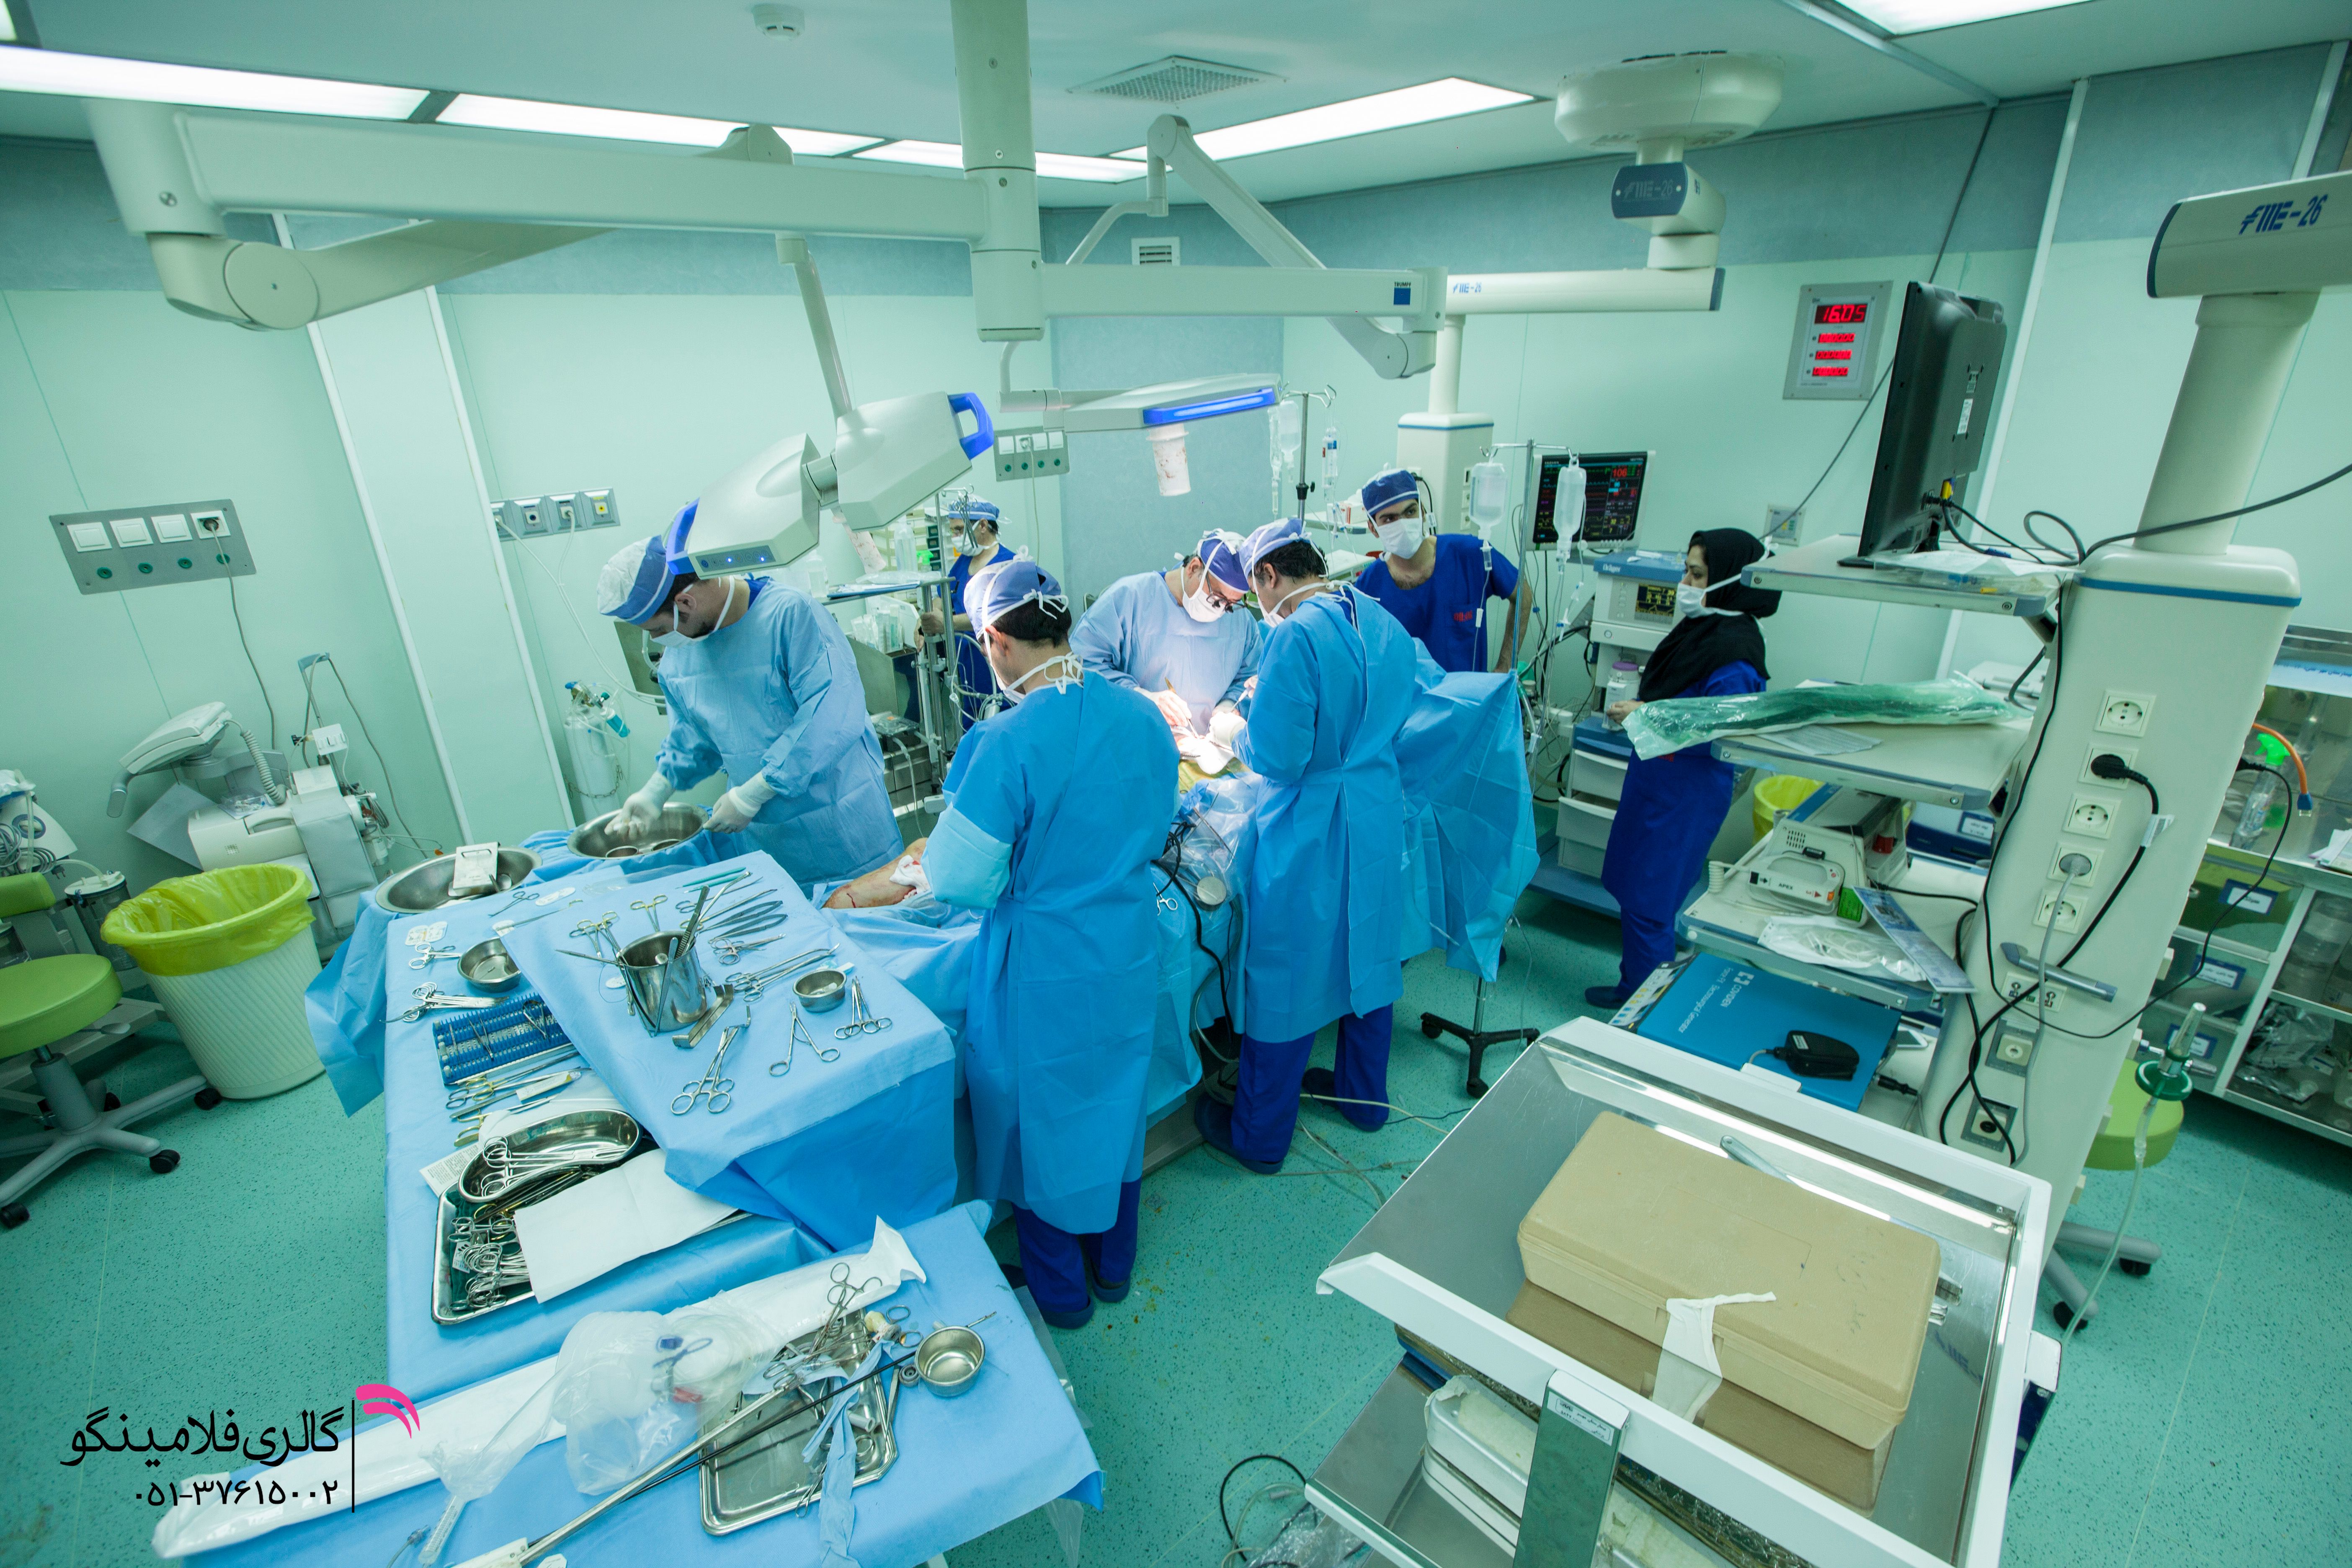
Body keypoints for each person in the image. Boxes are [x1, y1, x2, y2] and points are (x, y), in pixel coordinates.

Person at [923, 556, 1179, 1329]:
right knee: (1112, 1106)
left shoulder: (1006, 740)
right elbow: (1155, 818)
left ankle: (1063, 1295)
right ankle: (1113, 1266)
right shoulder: (1139, 715)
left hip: (1045, 965)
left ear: (996, 640)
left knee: (1045, 1123)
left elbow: (958, 878)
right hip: (1128, 946)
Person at [1192, 516, 1419, 1173]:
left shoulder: (1294, 635)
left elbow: (1282, 758)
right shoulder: (1381, 621)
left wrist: (1235, 727)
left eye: (1253, 590)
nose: (1256, 607)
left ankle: (1260, 1138)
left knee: (1286, 970)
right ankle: (1362, 1098)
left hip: (1312, 825)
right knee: (1371, 952)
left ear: (1268, 575)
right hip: (1374, 813)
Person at [596, 509, 901, 887]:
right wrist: (657, 790)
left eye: (659, 629)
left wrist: (758, 790)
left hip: (844, 829)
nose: (659, 641)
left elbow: (832, 714)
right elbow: (694, 737)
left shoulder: (791, 616)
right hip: (765, 843)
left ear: (686, 604)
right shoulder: (682, 652)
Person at [1589, 528, 1781, 1008]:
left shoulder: (1736, 655)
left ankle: (1646, 1017)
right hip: (1657, 782)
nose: (1686, 583)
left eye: (1697, 574)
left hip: (1686, 793)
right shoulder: (1703, 631)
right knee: (1633, 892)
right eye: (1687, 570)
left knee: (1651, 908)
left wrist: (1644, 714)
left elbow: (1718, 728)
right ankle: (1633, 984)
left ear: (1731, 581)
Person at [1070, 531, 1259, 745]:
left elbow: (1252, 673)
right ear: (1194, 568)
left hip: (1207, 748)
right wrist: (1143, 698)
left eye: (1231, 605)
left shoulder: (1241, 622)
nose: (1222, 609)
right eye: (1217, 599)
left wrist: (1230, 705)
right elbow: (1082, 665)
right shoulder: (1130, 598)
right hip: (1138, 744)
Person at [1352, 467, 1531, 674]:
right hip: (1409, 704)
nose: (1403, 524)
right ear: (1374, 528)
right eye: (1390, 519)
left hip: (1467, 701)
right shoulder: (1368, 587)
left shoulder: (1470, 555)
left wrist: (1505, 666)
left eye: (1410, 512)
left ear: (1424, 511)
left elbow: (1523, 595)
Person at [917, 498, 1014, 727]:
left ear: (982, 525)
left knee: (1001, 729)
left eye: (960, 530)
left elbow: (994, 617)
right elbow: (945, 594)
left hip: (998, 666)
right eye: (953, 531)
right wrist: (926, 619)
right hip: (967, 666)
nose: (955, 537)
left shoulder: (1007, 564)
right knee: (972, 726)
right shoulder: (963, 563)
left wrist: (946, 623)